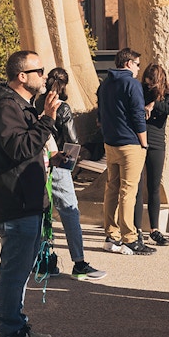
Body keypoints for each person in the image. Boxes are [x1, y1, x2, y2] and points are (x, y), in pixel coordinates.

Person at [0, 50, 61, 337]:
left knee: (20, 272)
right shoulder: (6, 107)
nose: (45, 75)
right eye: (38, 70)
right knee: (14, 274)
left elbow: (29, 148)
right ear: (22, 76)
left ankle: (16, 323)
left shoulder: (21, 106)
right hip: (16, 206)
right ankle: (9, 335)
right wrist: (48, 121)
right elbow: (19, 148)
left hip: (27, 203)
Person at [36, 67, 106, 281]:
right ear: (65, 85)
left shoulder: (36, 103)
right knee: (70, 212)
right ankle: (79, 262)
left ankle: (42, 260)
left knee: (42, 213)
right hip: (58, 163)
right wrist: (72, 163)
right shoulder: (62, 108)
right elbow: (72, 140)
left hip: (37, 163)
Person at [97, 47, 154, 255]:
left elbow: (101, 113)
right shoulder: (131, 83)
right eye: (137, 64)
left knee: (111, 189)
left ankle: (111, 235)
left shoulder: (106, 84)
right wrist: (144, 142)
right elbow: (138, 115)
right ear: (129, 63)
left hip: (110, 143)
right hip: (130, 144)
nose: (139, 69)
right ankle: (129, 238)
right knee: (128, 191)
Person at [133, 63, 169, 246]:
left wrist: (157, 105)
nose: (149, 86)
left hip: (156, 142)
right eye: (147, 83)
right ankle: (136, 229)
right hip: (138, 140)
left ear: (159, 80)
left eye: (152, 83)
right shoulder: (139, 89)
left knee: (154, 187)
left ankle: (155, 229)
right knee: (137, 187)